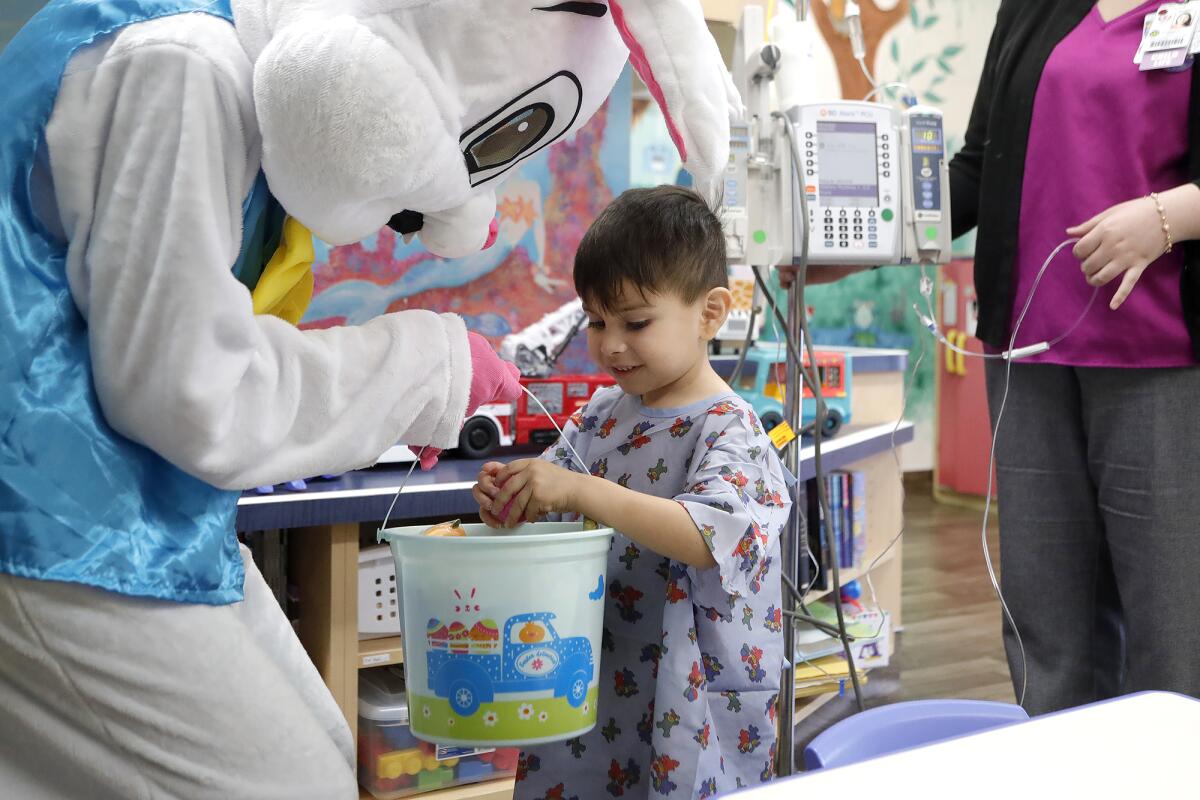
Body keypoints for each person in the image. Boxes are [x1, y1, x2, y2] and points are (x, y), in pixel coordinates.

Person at [474, 186, 793, 798]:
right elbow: (547, 504)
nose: (610, 343)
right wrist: (509, 497)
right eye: (596, 321)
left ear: (710, 311)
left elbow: (706, 534)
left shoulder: (732, 430)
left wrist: (578, 491)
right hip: (587, 680)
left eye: (635, 322)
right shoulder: (600, 417)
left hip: (687, 696)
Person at [949, 0, 1200, 714]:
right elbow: (977, 163)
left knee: (1173, 632)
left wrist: (1164, 219)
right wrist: (871, 239)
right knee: (1045, 630)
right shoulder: (1033, 7)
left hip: (1164, 356)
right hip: (1028, 354)